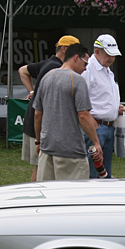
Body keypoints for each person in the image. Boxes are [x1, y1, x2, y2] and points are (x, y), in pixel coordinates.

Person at [32, 44, 102, 181]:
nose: (85, 68)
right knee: (72, 197)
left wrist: (38, 142)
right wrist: (96, 142)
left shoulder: (46, 77)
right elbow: (83, 115)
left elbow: (37, 114)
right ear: (76, 58)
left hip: (47, 148)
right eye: (85, 63)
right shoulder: (77, 80)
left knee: (48, 196)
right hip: (71, 151)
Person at [18, 35, 80, 181]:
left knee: (41, 167)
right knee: (40, 168)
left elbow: (23, 70)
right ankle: (35, 199)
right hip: (39, 124)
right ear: (64, 49)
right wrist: (34, 92)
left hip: (35, 121)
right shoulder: (55, 67)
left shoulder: (48, 63)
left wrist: (32, 92)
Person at [81, 34, 125, 178]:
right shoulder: (88, 70)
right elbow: (81, 98)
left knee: (105, 172)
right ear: (97, 51)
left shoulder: (107, 71)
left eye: (113, 55)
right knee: (95, 170)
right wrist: (89, 118)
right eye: (108, 54)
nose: (111, 58)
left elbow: (100, 96)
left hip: (108, 126)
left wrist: (114, 108)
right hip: (96, 125)